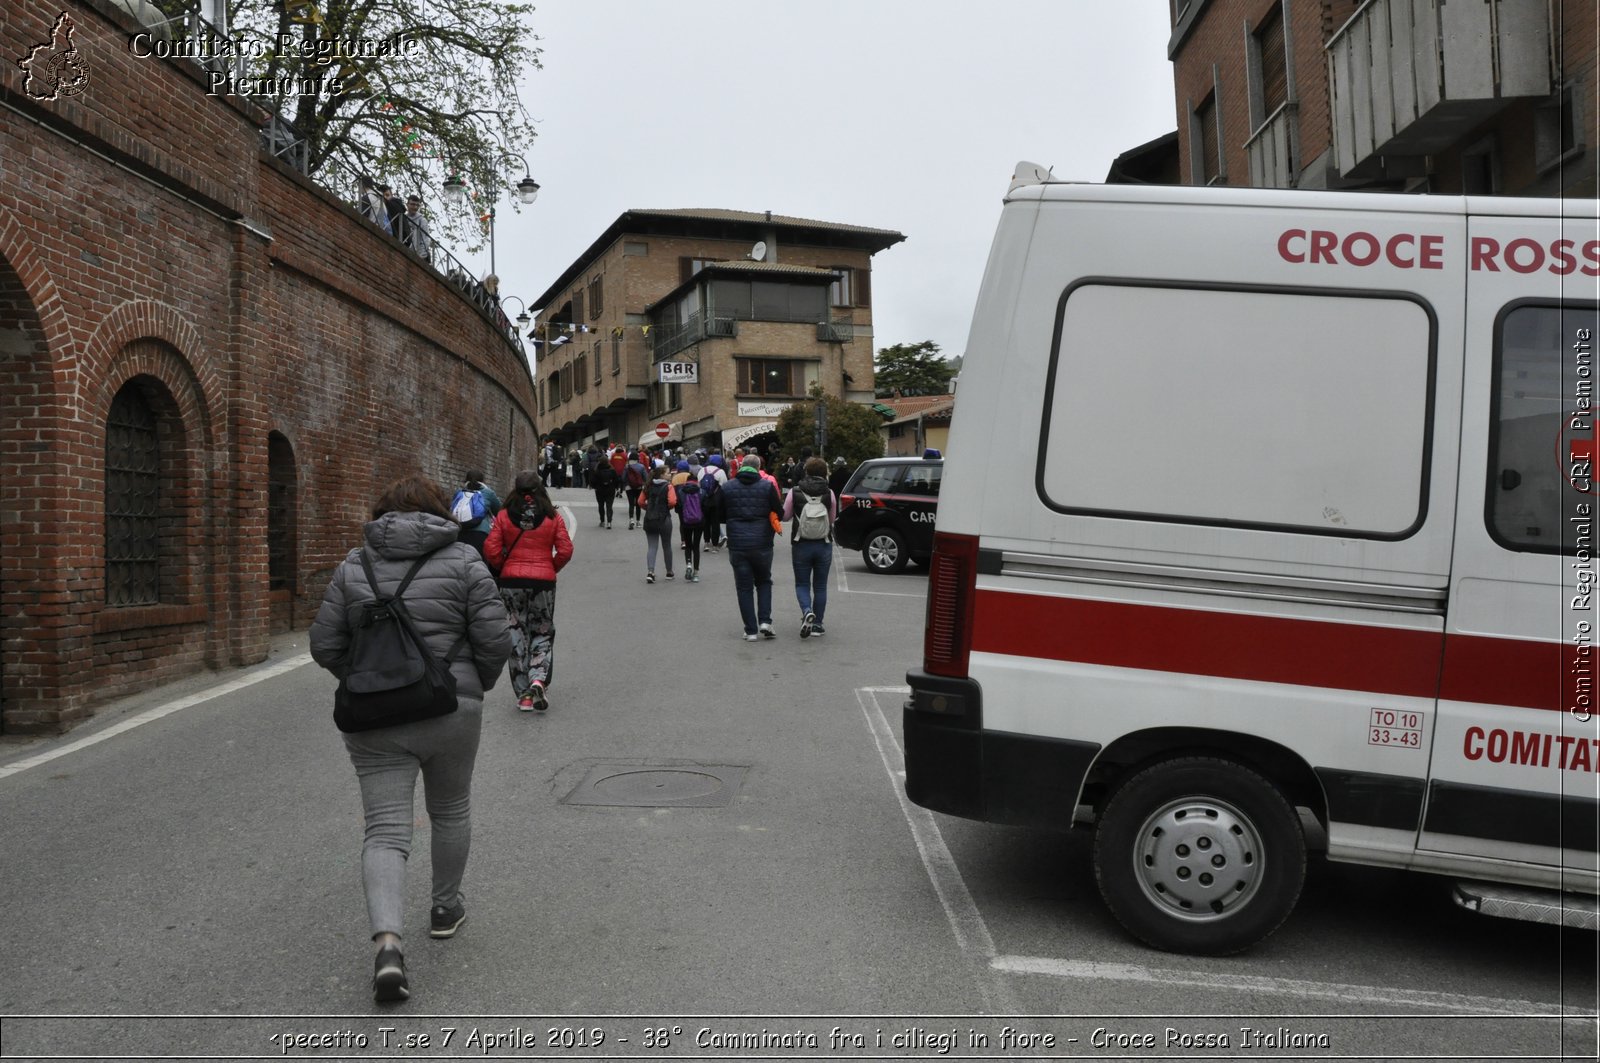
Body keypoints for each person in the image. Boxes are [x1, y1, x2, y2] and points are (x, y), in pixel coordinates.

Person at [309, 473, 512, 1005]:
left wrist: (369, 679)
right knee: (451, 810)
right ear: (438, 512)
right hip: (453, 706)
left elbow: (325, 645)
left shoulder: (355, 565)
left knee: (384, 831)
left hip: (376, 716)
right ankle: (445, 908)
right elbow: (495, 639)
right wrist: (471, 686)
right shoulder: (466, 562)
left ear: (381, 514)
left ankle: (389, 946)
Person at [484, 471, 574, 712]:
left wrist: (504, 567)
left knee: (515, 632)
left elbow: (490, 548)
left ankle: (524, 694)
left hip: (511, 583)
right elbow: (565, 549)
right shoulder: (552, 516)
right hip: (543, 583)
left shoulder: (503, 516)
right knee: (542, 629)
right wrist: (550, 568)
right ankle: (538, 678)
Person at [720, 459, 782, 640]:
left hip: (738, 543)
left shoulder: (727, 487)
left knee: (744, 587)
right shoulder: (767, 486)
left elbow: (720, 515)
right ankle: (765, 621)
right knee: (764, 581)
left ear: (740, 467)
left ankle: (750, 630)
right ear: (758, 469)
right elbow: (779, 511)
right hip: (762, 542)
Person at [784, 457, 837, 638]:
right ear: (824, 473)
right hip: (823, 543)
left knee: (802, 583)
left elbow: (785, 516)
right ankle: (818, 625)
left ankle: (807, 611)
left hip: (801, 543)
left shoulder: (795, 491)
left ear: (806, 472)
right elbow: (832, 518)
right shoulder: (829, 493)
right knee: (820, 586)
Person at [450, 470, 501, 561]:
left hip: (459, 532)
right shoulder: (488, 493)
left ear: (465, 481)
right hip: (480, 534)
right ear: (483, 481)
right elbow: (500, 512)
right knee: (479, 563)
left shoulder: (459, 492)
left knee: (459, 562)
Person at [639, 464, 677, 583]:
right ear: (662, 475)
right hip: (664, 518)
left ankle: (650, 572)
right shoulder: (669, 486)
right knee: (667, 546)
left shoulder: (648, 486)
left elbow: (640, 501)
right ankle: (669, 572)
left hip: (650, 518)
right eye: (667, 473)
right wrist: (666, 508)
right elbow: (672, 501)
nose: (670, 475)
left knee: (652, 546)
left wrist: (648, 508)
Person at [674, 467, 705, 582]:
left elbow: (677, 508)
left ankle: (688, 564)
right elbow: (705, 508)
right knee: (696, 546)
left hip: (686, 522)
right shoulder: (702, 492)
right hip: (699, 522)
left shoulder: (681, 491)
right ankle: (696, 573)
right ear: (697, 481)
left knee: (688, 545)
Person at [700, 454, 727, 552]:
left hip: (704, 500)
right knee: (715, 522)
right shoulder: (720, 471)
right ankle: (715, 545)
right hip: (716, 500)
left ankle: (706, 543)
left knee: (706, 522)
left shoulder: (702, 470)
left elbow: (700, 484)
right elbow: (724, 486)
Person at [589, 455, 619, 529]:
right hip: (610, 490)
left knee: (601, 506)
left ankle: (602, 521)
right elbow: (616, 480)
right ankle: (609, 522)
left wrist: (594, 486)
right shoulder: (612, 470)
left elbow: (593, 480)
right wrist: (616, 487)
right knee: (609, 506)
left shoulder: (597, 470)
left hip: (600, 490)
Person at [622, 451, 649, 529]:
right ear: (637, 459)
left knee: (631, 504)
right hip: (639, 487)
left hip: (628, 488)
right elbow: (646, 478)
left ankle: (631, 520)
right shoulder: (641, 467)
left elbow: (623, 478)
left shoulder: (627, 467)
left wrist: (626, 484)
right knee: (638, 504)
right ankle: (638, 522)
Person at [402, 195, 431, 261]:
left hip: (418, 255)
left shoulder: (422, 220)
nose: (415, 207)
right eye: (412, 204)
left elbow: (426, 239)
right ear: (407, 205)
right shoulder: (404, 218)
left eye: (417, 205)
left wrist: (421, 256)